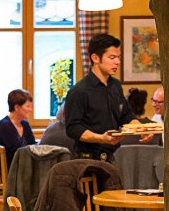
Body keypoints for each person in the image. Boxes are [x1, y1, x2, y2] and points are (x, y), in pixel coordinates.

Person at [65, 33, 152, 162]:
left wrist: (141, 129)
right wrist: (101, 138)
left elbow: (126, 116)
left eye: (118, 57)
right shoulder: (79, 91)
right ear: (95, 58)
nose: (117, 62)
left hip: (111, 157)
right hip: (87, 160)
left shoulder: (115, 85)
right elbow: (72, 128)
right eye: (112, 57)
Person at [0, 89, 36, 168]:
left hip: (18, 168)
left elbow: (33, 144)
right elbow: (17, 150)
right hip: (4, 172)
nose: (30, 110)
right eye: (28, 106)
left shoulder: (25, 124)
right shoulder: (4, 125)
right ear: (17, 107)